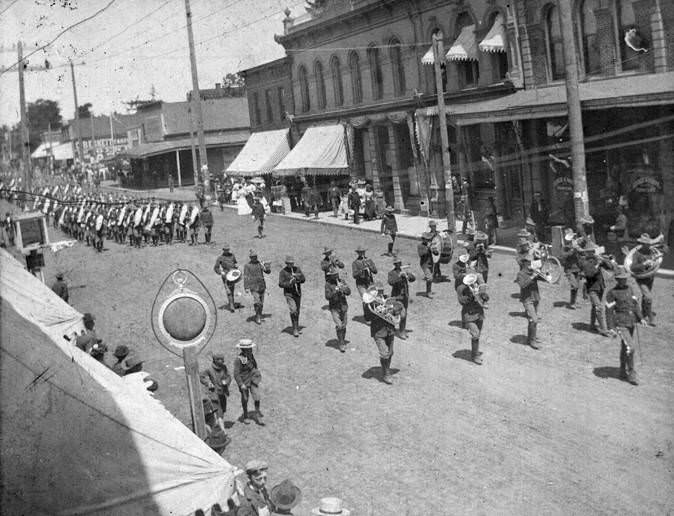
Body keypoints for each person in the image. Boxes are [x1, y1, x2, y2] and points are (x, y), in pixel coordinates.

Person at [605, 267, 645, 386]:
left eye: (625, 278)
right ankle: (631, 374)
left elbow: (635, 305)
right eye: (621, 279)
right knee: (631, 348)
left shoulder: (630, 289)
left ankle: (622, 370)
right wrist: (611, 327)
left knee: (625, 347)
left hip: (631, 322)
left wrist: (641, 317)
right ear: (617, 280)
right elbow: (608, 311)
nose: (623, 281)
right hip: (620, 324)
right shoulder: (611, 293)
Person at [628, 233, 666, 327]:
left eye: (649, 244)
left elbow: (666, 250)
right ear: (641, 243)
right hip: (641, 278)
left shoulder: (652, 251)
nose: (648, 245)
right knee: (648, 297)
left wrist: (662, 243)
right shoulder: (637, 253)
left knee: (645, 297)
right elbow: (633, 268)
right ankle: (650, 318)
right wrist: (644, 264)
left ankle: (643, 315)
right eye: (646, 244)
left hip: (650, 277)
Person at [368, 284, 403, 385]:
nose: (380, 294)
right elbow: (367, 317)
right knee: (384, 353)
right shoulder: (369, 303)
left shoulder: (388, 299)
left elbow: (400, 306)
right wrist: (378, 312)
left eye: (381, 291)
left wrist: (391, 309)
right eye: (377, 292)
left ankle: (386, 368)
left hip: (390, 330)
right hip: (378, 332)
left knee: (390, 353)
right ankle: (386, 373)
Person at [579, 243, 615, 337]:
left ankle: (591, 325)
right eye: (590, 251)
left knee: (594, 306)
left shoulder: (596, 259)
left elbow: (611, 267)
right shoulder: (584, 261)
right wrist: (598, 263)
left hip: (600, 287)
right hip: (592, 288)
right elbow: (590, 274)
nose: (592, 253)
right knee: (599, 307)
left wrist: (604, 259)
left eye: (593, 251)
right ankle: (604, 329)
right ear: (587, 252)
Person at [516, 254, 551, 349]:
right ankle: (532, 341)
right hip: (527, 300)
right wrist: (532, 276)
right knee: (534, 319)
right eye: (528, 262)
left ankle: (532, 337)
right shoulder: (521, 274)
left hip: (535, 298)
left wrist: (546, 274)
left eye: (530, 262)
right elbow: (523, 285)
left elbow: (545, 279)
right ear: (524, 263)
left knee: (532, 320)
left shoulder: (533, 272)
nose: (530, 264)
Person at [457, 272, 489, 365]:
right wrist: (471, 296)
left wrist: (483, 295)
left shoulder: (478, 287)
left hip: (479, 314)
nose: (472, 283)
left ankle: (475, 352)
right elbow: (461, 301)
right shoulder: (461, 288)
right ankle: (475, 356)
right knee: (475, 334)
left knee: (478, 335)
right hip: (469, 315)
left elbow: (486, 299)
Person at [233, 339, 263, 425]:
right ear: (243, 350)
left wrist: (256, 375)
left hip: (253, 380)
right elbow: (236, 374)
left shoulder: (251, 356)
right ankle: (245, 415)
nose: (251, 350)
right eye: (249, 349)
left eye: (251, 349)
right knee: (245, 398)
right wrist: (241, 384)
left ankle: (258, 414)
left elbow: (255, 366)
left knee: (257, 397)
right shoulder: (238, 360)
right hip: (244, 381)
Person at [200, 353, 231, 432]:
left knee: (223, 410)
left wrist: (226, 382)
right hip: (214, 393)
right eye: (219, 359)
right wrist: (208, 383)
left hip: (223, 393)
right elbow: (201, 376)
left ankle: (217, 424)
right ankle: (223, 431)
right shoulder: (209, 369)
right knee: (218, 411)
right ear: (215, 360)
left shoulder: (224, 368)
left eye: (222, 359)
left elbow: (229, 376)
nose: (221, 361)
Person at [278, 256, 306, 337]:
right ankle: (295, 329)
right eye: (289, 263)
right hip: (289, 294)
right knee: (293, 310)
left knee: (297, 311)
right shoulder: (283, 272)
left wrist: (298, 278)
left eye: (292, 263)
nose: (291, 265)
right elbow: (280, 284)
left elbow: (303, 279)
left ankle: (296, 327)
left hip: (297, 293)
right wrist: (290, 283)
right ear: (286, 263)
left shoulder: (297, 269)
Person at [388, 255, 414, 339]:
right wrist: (399, 276)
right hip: (396, 297)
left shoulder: (404, 271)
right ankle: (391, 329)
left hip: (404, 297)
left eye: (400, 263)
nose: (399, 265)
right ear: (394, 265)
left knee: (404, 315)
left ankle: (402, 331)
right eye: (397, 264)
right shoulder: (391, 273)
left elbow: (413, 279)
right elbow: (391, 282)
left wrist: (408, 275)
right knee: (396, 314)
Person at [325, 269, 351, 352]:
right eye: (334, 275)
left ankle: (342, 339)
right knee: (339, 325)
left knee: (344, 325)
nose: (336, 276)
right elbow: (327, 296)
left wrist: (344, 289)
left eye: (336, 274)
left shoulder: (342, 281)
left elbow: (349, 292)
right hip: (334, 307)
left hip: (343, 306)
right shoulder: (328, 284)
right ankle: (341, 343)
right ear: (331, 276)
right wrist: (335, 291)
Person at [243, 250, 271, 325]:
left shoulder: (260, 264)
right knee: (257, 302)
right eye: (253, 257)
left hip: (262, 286)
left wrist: (266, 266)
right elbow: (246, 276)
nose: (255, 258)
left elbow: (268, 272)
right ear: (250, 258)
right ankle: (258, 316)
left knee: (261, 303)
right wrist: (246, 287)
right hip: (253, 286)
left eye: (255, 257)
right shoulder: (247, 266)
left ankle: (259, 314)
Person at [351, 245, 377, 318]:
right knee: (366, 299)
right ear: (358, 253)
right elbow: (354, 275)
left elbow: (375, 271)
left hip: (370, 282)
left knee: (373, 298)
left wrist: (370, 267)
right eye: (360, 252)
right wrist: (362, 270)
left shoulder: (369, 260)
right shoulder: (355, 263)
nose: (362, 254)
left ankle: (373, 314)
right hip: (361, 284)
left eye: (363, 252)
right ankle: (367, 316)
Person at [560, 231, 583, 309]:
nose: (573, 240)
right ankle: (572, 303)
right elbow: (563, 256)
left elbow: (582, 254)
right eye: (572, 239)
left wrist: (578, 250)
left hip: (577, 269)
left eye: (573, 239)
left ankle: (573, 303)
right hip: (569, 270)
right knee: (574, 286)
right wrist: (571, 251)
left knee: (575, 288)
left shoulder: (576, 246)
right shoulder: (565, 247)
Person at [214, 244, 239, 312]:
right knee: (228, 290)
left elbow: (235, 262)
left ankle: (232, 303)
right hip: (225, 276)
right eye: (225, 250)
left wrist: (236, 266)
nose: (227, 251)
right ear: (223, 250)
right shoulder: (220, 258)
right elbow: (216, 267)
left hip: (233, 275)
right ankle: (231, 306)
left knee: (232, 289)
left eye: (228, 249)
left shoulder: (232, 255)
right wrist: (220, 272)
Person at [418, 232, 434, 298]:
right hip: (424, 264)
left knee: (430, 279)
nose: (427, 240)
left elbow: (436, 253)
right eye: (426, 239)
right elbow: (421, 254)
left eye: (428, 239)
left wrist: (435, 249)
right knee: (429, 278)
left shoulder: (430, 245)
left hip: (431, 263)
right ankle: (429, 292)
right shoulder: (420, 246)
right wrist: (428, 248)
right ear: (423, 239)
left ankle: (428, 291)